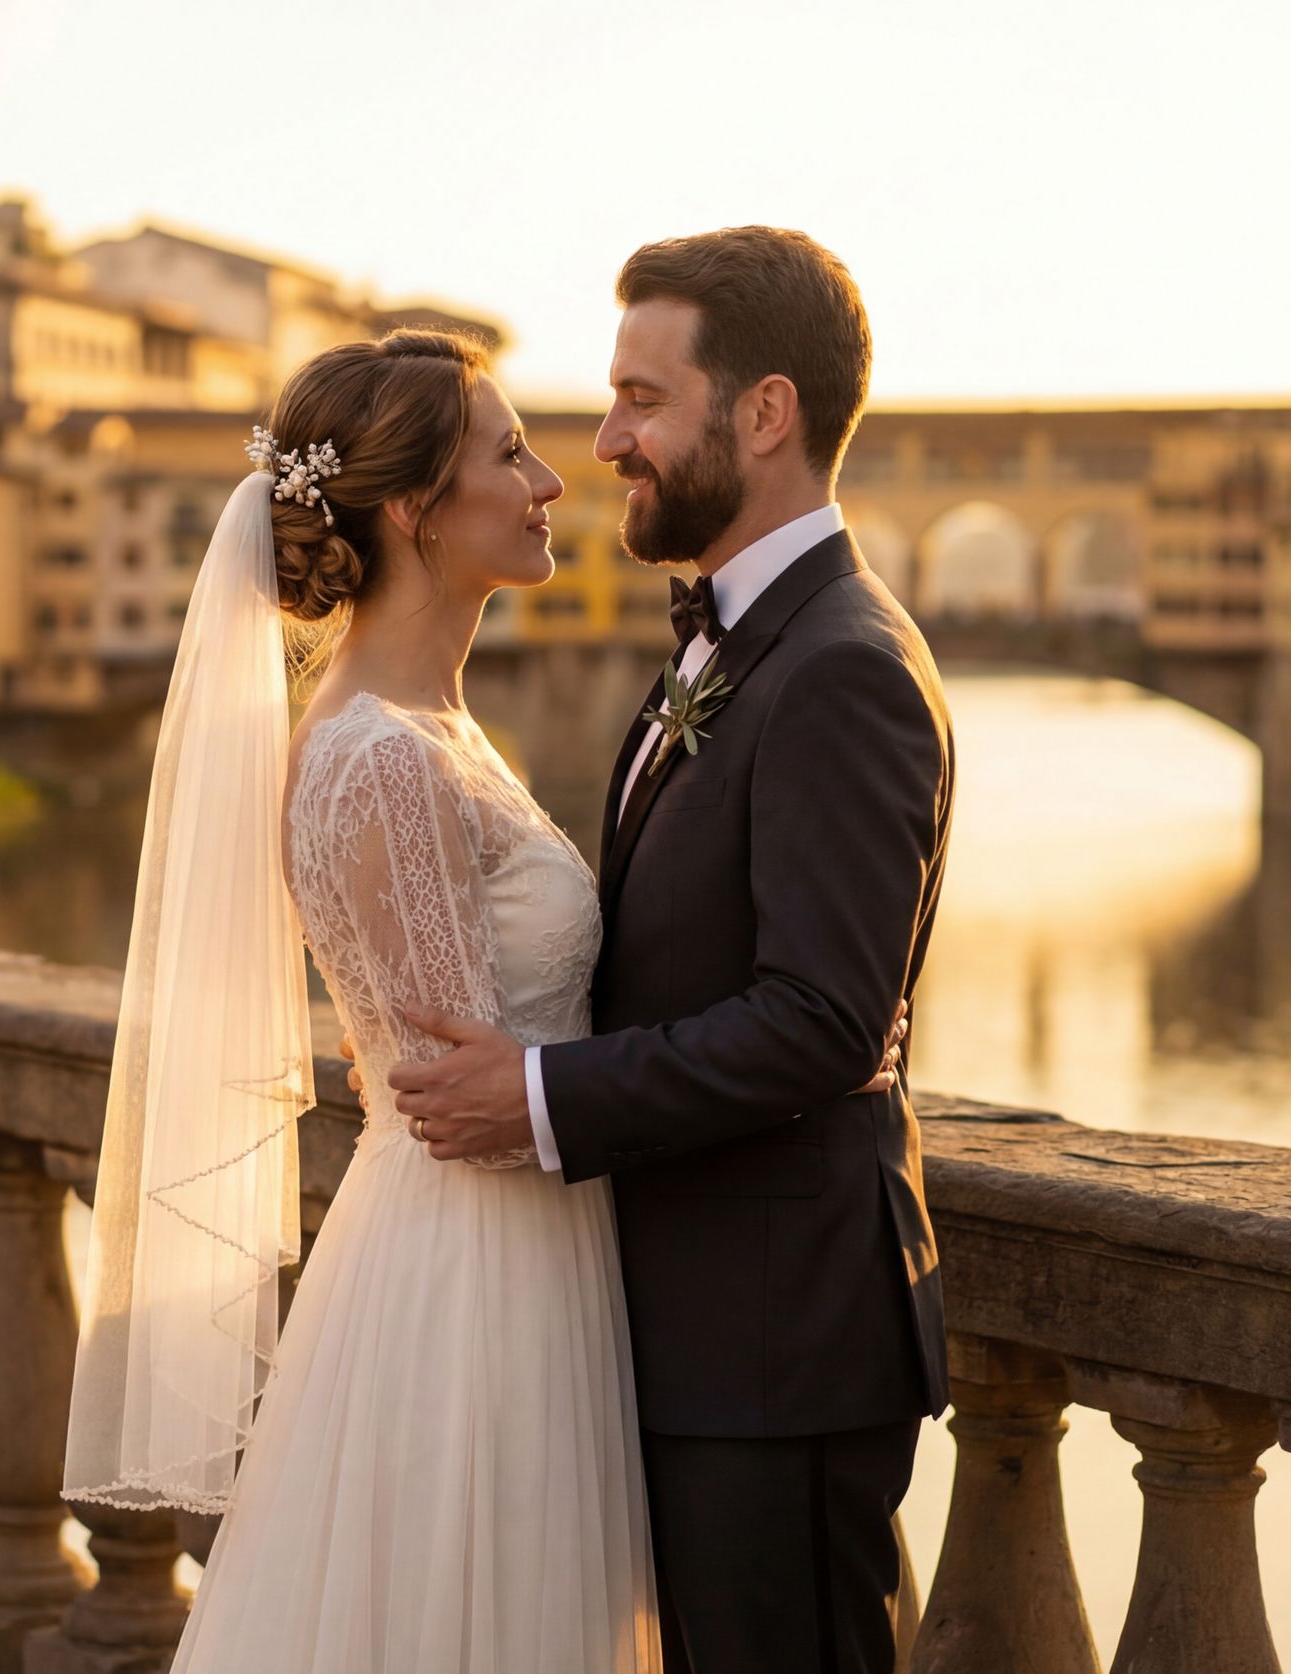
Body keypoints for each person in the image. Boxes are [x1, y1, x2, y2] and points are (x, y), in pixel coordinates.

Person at [388, 227, 956, 1674]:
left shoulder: (843, 668)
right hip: (691, 1330)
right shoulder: (724, 641)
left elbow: (824, 1018)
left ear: (762, 413)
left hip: (775, 1353)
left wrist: (537, 1095)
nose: (608, 439)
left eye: (643, 398)